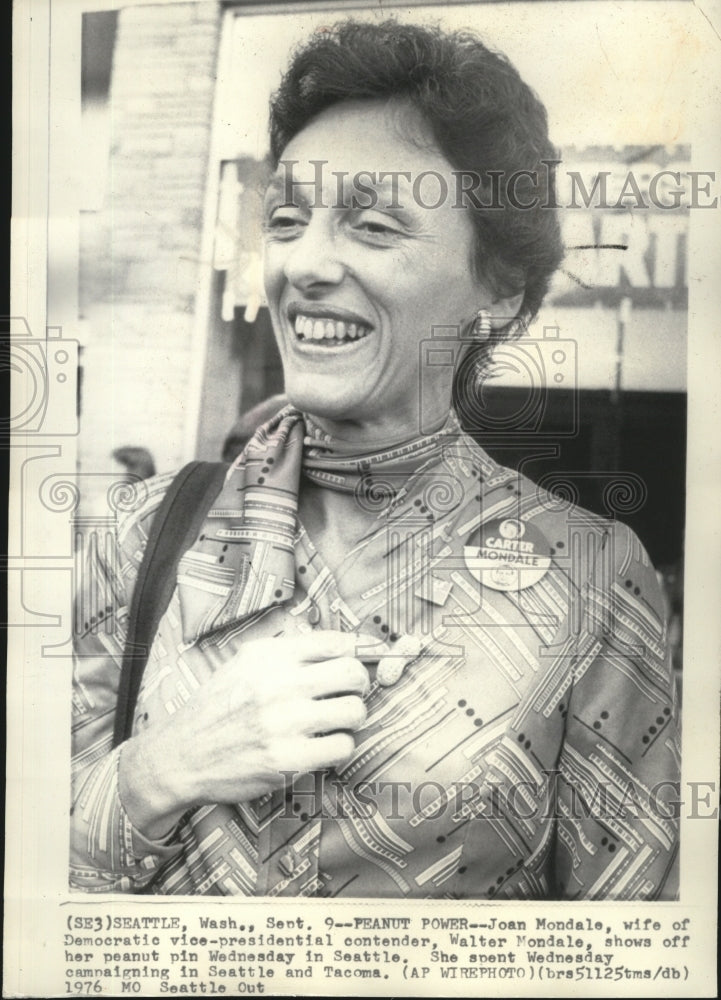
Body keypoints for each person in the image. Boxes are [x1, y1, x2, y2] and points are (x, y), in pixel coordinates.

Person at [71, 19, 680, 899]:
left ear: (498, 290)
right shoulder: (138, 536)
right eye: (286, 218)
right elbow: (30, 899)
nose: (305, 263)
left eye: (373, 225)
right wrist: (157, 771)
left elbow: (628, 942)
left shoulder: (589, 578)